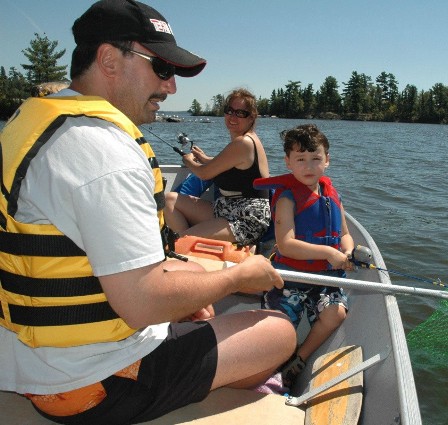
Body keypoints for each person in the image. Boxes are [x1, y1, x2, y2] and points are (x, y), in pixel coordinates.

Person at [0, 1, 296, 424]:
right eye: (160, 68)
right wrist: (236, 278)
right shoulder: (104, 151)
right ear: (108, 60)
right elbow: (141, 303)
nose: (171, 87)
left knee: (193, 277)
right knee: (278, 330)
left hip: (37, 360)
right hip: (93, 383)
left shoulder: (30, 124)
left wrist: (192, 290)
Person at [253, 124, 354, 386]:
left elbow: (344, 233)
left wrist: (349, 252)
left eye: (316, 158)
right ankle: (271, 369)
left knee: (336, 312)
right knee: (278, 331)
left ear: (327, 160)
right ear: (288, 162)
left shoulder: (332, 196)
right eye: (300, 159)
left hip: (325, 281)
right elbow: (285, 245)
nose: (309, 166)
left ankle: (300, 358)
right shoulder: (288, 198)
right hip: (291, 280)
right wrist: (328, 253)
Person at [163, 89, 271, 246]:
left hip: (246, 219)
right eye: (229, 110)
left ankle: (182, 245)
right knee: (169, 200)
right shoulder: (245, 141)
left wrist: (189, 161)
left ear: (251, 117)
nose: (233, 117)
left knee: (179, 241)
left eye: (240, 113)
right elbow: (232, 164)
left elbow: (204, 174)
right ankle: (187, 249)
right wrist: (204, 158)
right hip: (226, 208)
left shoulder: (244, 143)